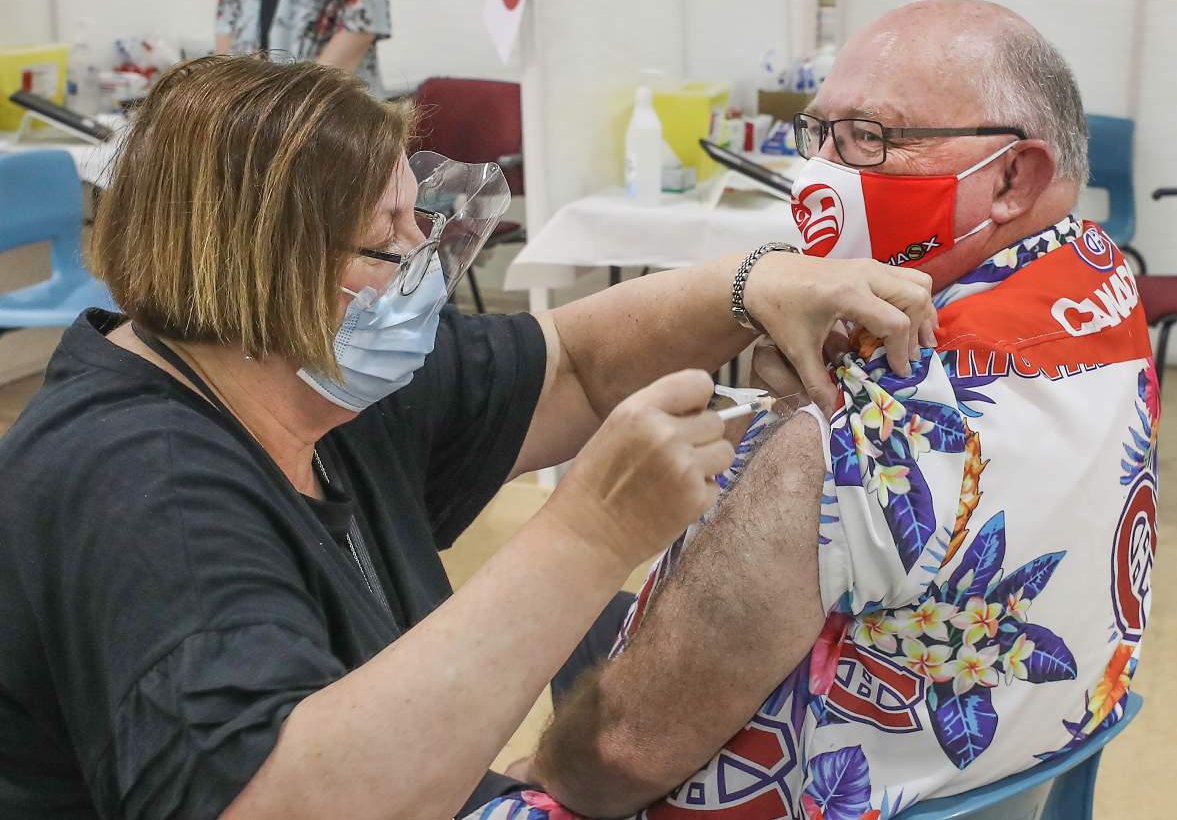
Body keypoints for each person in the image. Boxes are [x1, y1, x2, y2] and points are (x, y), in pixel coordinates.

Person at [0, 55, 936, 820]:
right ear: (259, 274)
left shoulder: (312, 371)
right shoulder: (143, 491)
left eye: (421, 220)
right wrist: (588, 534)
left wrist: (753, 283)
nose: (419, 269)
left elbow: (569, 360)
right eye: (385, 242)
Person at [477, 0, 1159, 819]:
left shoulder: (855, 433)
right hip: (1004, 751)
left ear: (1015, 176)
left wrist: (538, 765)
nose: (823, 174)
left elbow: (621, 756)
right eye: (821, 134)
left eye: (870, 137)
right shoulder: (1100, 284)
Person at [215, 0, 391, 96]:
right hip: (253, 107)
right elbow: (227, 17)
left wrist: (297, 105)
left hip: (330, 110)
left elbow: (360, 27)